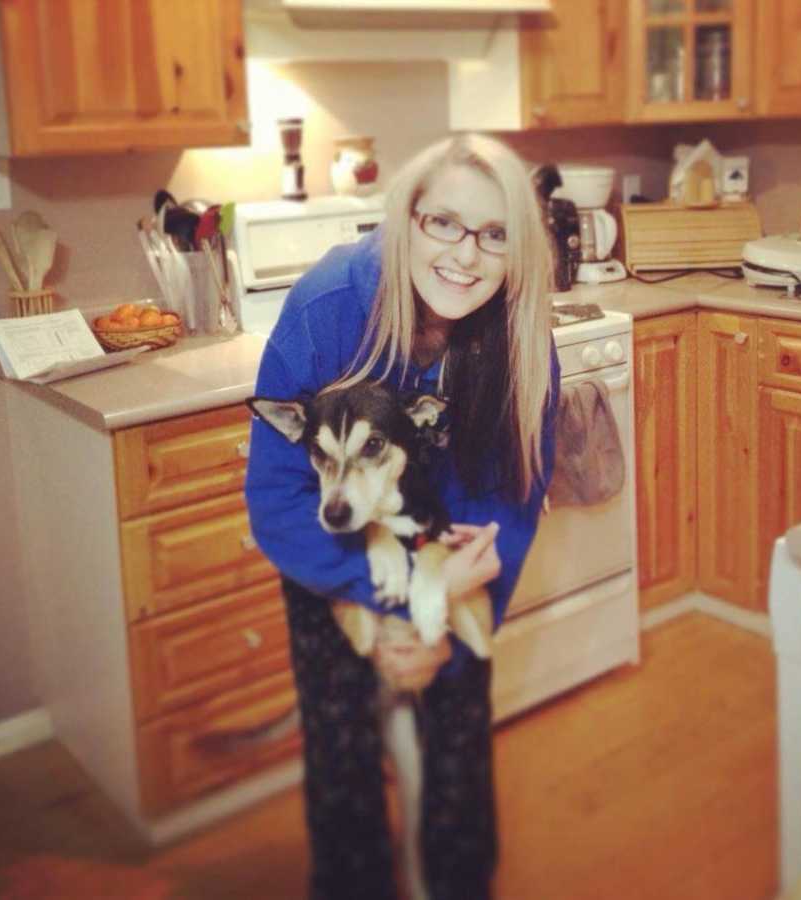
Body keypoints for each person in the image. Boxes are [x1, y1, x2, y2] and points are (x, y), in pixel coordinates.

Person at [245, 132, 559, 900]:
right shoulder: (328, 309)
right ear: (406, 219)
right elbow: (279, 495)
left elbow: (515, 490)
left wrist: (445, 604)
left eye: (494, 234)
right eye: (444, 223)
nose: (466, 256)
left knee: (456, 738)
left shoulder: (519, 334)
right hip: (337, 557)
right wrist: (375, 601)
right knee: (343, 748)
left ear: (518, 250)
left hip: (448, 557)